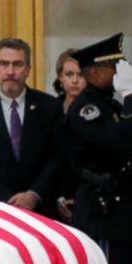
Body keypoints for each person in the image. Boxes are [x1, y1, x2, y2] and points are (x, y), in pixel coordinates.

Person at [65, 34, 132, 264]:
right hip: (104, 216)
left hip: (120, 215)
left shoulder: (108, 104)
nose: (119, 72)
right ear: (94, 71)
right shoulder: (87, 109)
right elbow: (121, 142)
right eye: (114, 67)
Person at [0, 38, 64, 217]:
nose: (10, 72)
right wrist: (4, 198)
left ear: (28, 69)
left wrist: (33, 195)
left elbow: (58, 157)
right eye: (4, 64)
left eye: (17, 64)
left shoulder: (50, 107)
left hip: (41, 209)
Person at [53, 48, 84, 223]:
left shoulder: (95, 110)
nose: (74, 81)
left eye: (80, 75)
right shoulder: (50, 110)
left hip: (85, 194)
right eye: (69, 74)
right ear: (60, 77)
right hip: (54, 193)